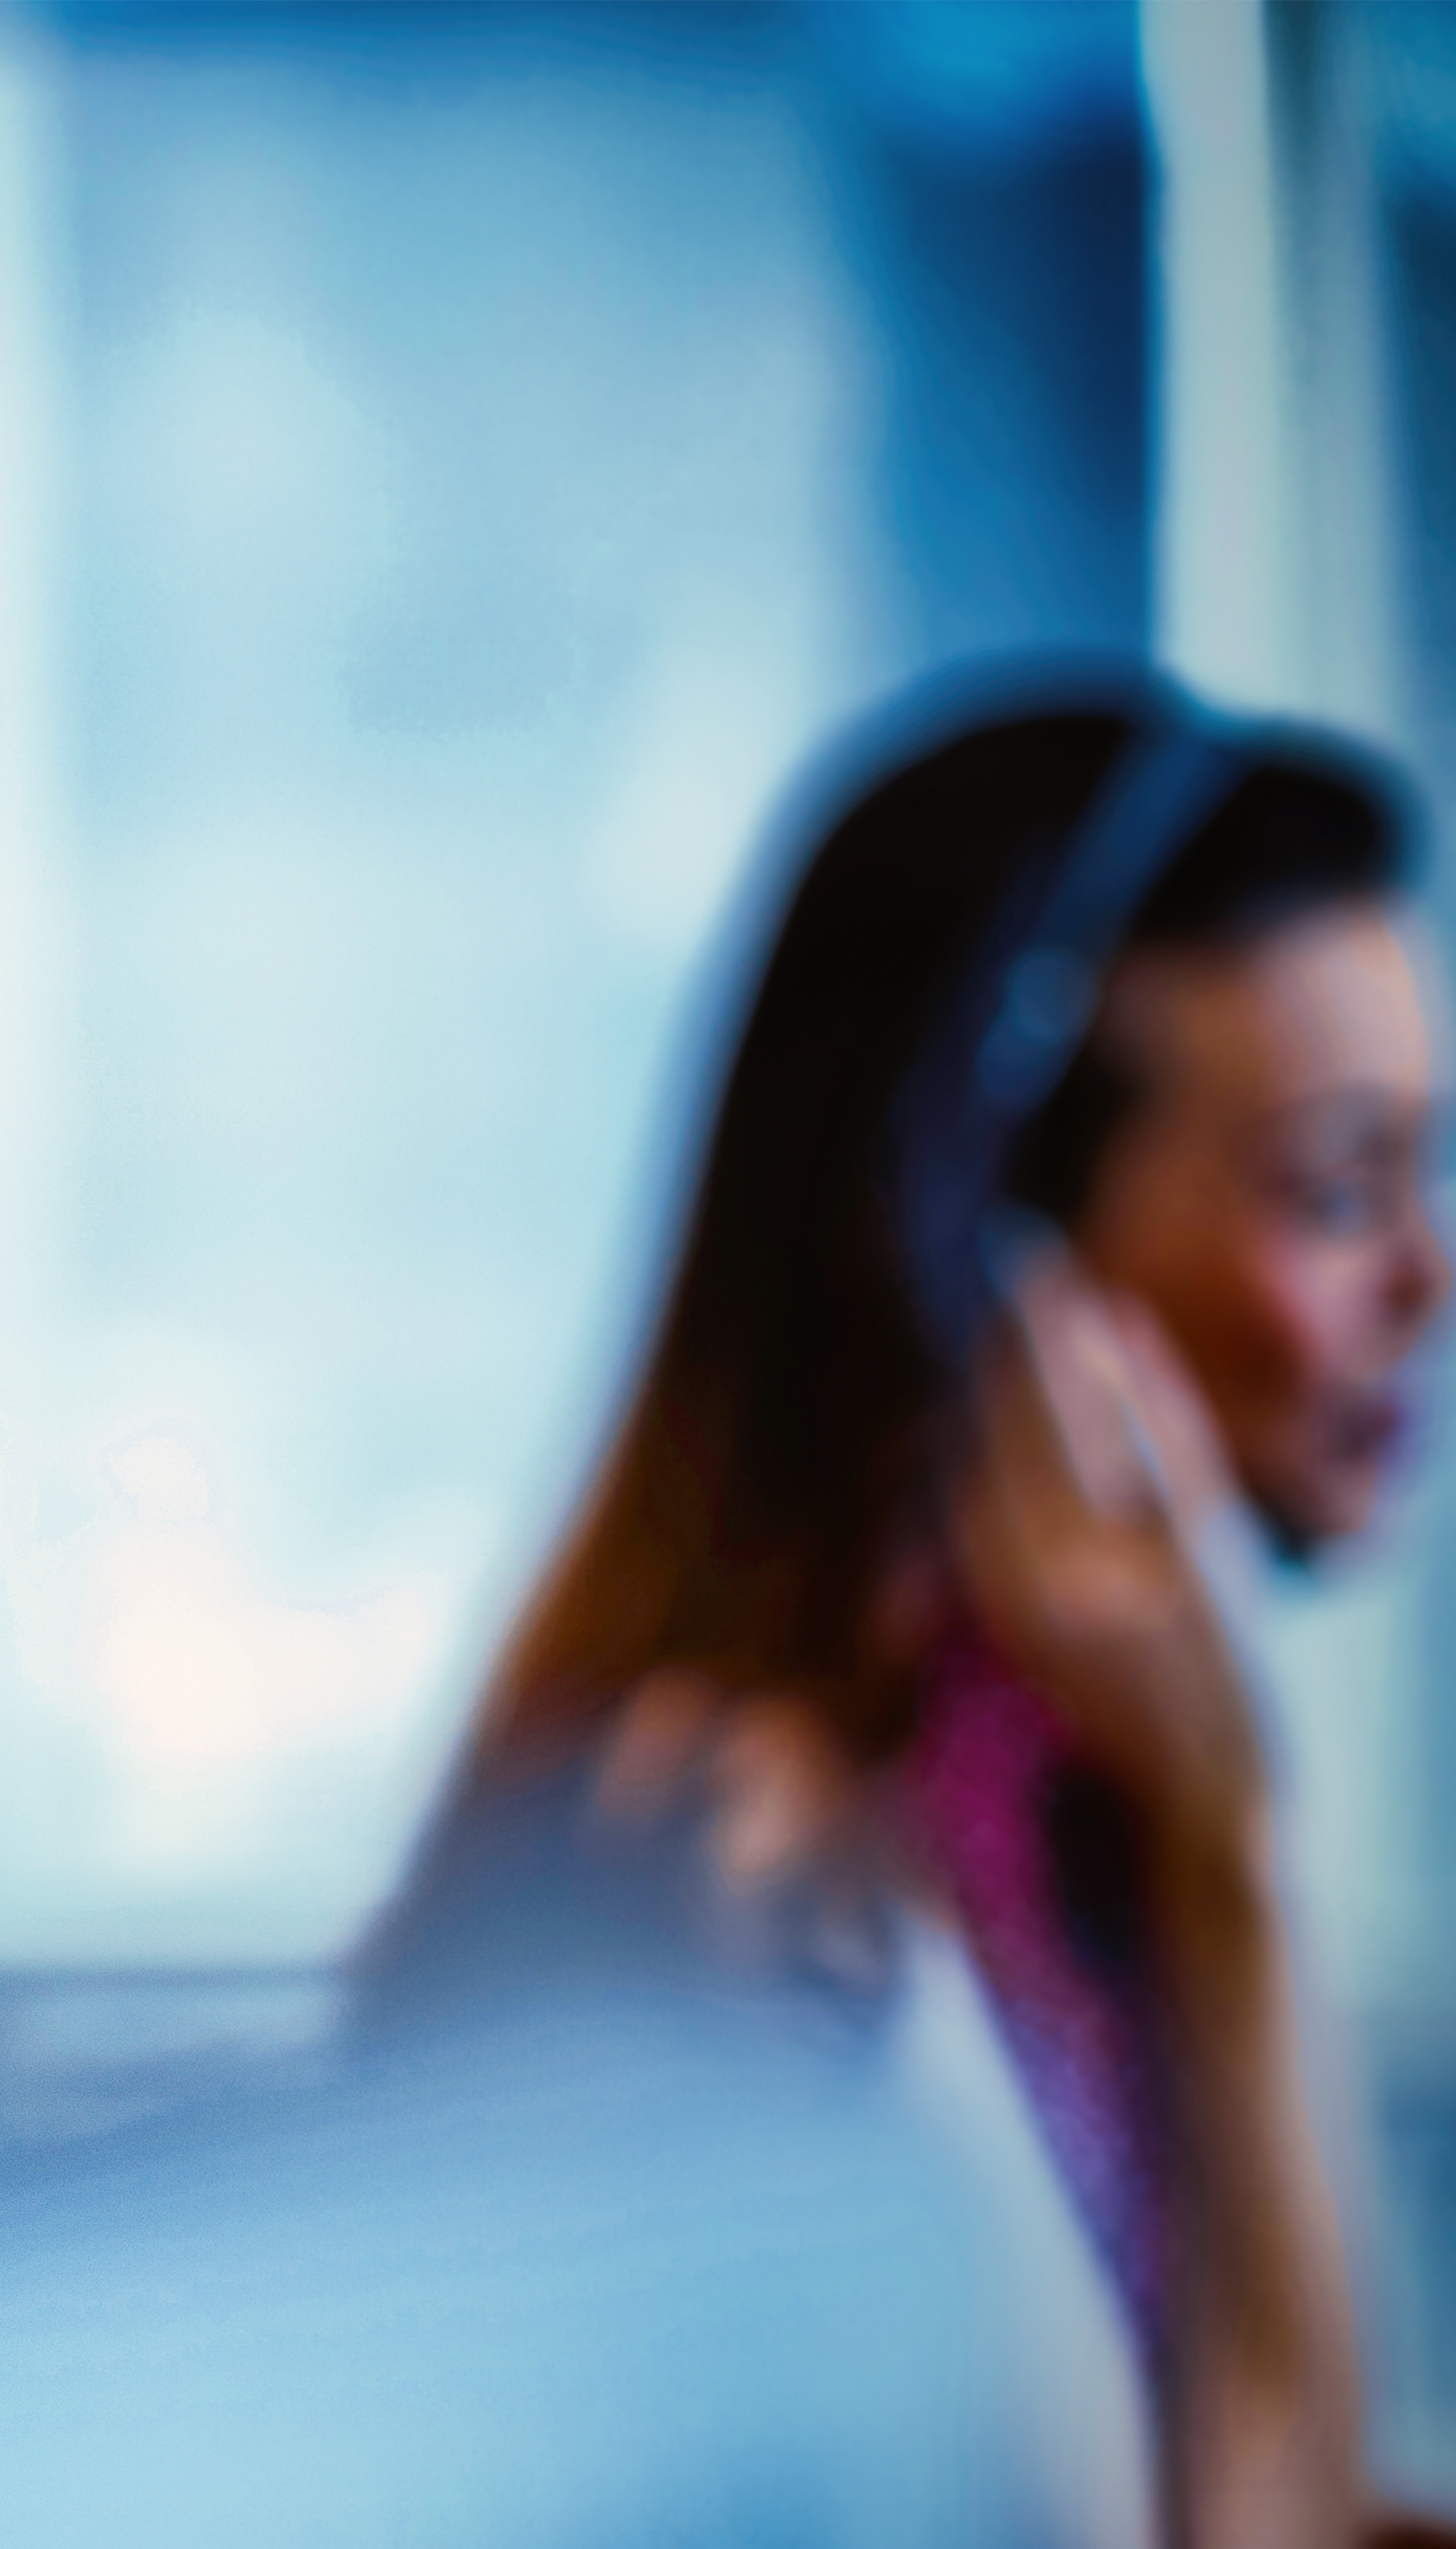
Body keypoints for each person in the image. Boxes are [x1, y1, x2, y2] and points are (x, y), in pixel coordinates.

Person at [360, 671, 1448, 2549]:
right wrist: (1237, 1848)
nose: (1427, 1276)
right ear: (983, 1238)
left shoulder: (1077, 1790)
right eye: (1338, 1182)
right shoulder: (760, 1883)